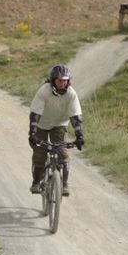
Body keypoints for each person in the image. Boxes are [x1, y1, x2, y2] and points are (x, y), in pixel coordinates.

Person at [28, 64, 84, 196]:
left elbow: (75, 117)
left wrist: (79, 135)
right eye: (59, 80)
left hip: (59, 124)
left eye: (65, 80)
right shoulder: (44, 91)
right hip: (41, 124)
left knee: (63, 155)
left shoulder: (71, 94)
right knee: (39, 154)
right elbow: (35, 114)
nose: (62, 83)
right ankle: (36, 182)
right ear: (53, 80)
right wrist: (33, 133)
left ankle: (64, 184)